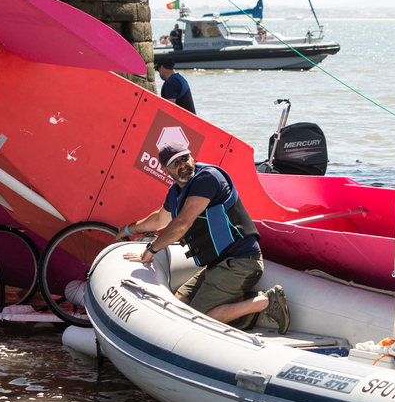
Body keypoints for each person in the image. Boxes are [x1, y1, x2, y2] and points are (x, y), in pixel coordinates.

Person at [118, 141, 289, 332]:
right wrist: (128, 230)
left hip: (241, 263)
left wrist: (151, 250)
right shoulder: (175, 192)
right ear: (166, 170)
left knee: (194, 319)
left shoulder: (208, 178)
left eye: (184, 158)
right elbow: (159, 220)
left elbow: (182, 224)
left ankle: (266, 301)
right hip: (217, 266)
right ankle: (244, 313)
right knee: (177, 303)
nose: (183, 165)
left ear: (192, 157)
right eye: (175, 163)